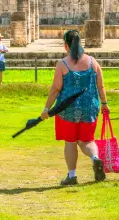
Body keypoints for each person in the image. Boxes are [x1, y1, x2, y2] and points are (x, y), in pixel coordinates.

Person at [41, 30, 108, 185]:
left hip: (68, 110)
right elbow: (101, 86)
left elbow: (56, 89)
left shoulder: (63, 64)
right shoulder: (93, 62)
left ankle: (72, 176)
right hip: (90, 108)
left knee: (70, 142)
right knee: (87, 140)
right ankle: (95, 158)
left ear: (66, 45)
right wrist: (104, 103)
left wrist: (46, 109)